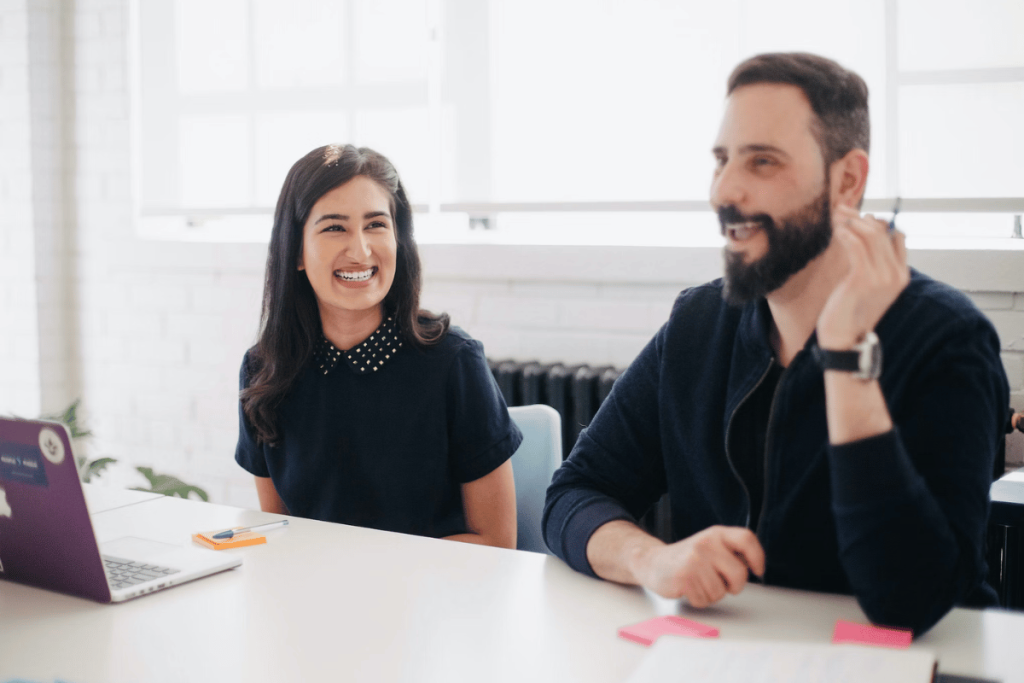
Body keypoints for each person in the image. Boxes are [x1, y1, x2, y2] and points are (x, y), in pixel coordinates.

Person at [543, 53, 1009, 634]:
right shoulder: (699, 322)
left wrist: (846, 357)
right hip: (728, 654)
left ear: (846, 180)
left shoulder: (948, 340)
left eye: (762, 162)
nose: (725, 191)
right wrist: (653, 559)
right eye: (721, 160)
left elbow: (910, 602)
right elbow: (574, 494)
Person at [235, 144, 522, 549]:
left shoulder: (452, 361)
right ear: (296, 251)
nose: (361, 250)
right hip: (314, 598)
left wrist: (366, 575)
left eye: (375, 225)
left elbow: (496, 541)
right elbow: (281, 532)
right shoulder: (264, 369)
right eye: (335, 227)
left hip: (436, 600)